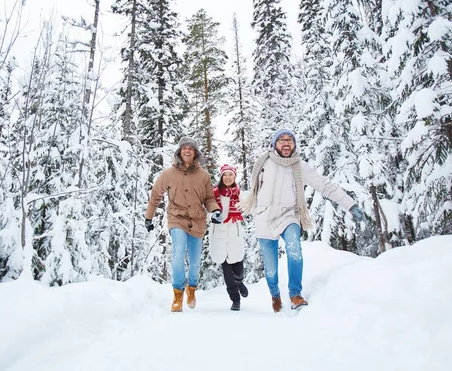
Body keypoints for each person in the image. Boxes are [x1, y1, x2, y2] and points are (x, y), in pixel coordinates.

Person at [241, 128, 365, 313]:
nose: (286, 143)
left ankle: (295, 294)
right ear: (275, 144)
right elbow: (253, 191)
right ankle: (275, 294)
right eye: (282, 139)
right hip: (264, 218)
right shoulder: (263, 163)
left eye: (289, 140)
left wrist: (350, 204)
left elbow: (325, 186)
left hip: (289, 215)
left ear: (294, 144)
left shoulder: (300, 166)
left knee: (295, 250)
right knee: (271, 271)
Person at [145, 137, 224, 312]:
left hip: (197, 221)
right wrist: (148, 218)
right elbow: (156, 195)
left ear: (195, 153)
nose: (187, 151)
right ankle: (177, 294)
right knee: (179, 253)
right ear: (179, 152)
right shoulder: (168, 174)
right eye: (184, 148)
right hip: (177, 218)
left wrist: (215, 210)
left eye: (191, 148)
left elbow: (209, 198)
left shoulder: (203, 175)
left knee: (195, 262)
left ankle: (192, 289)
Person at [209, 164, 249, 311]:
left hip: (235, 235)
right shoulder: (214, 193)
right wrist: (212, 216)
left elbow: (247, 208)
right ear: (221, 177)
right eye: (225, 175)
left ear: (234, 177)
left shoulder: (239, 194)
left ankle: (240, 282)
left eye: (230, 175)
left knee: (238, 269)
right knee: (227, 273)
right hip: (219, 236)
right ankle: (235, 300)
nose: (227, 177)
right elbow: (207, 208)